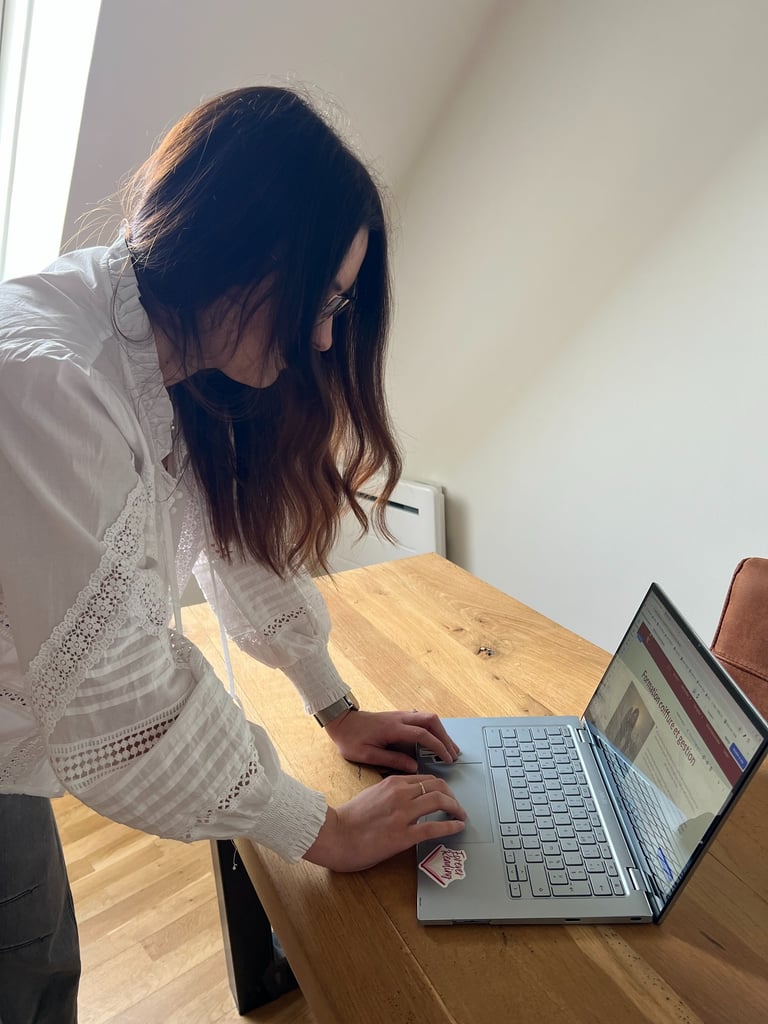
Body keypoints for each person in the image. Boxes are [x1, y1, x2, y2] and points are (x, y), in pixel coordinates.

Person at [0, 86, 466, 1023]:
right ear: (243, 254)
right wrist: (323, 830)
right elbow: (120, 699)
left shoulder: (158, 341)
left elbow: (233, 543)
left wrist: (334, 708)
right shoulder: (51, 384)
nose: (325, 338)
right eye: (321, 302)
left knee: (40, 965)